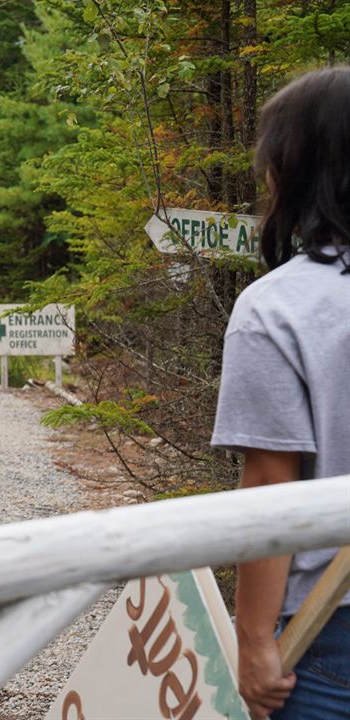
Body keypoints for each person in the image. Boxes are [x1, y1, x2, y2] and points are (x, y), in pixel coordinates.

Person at [211, 66, 350, 720]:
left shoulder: (277, 308)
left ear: (295, 171)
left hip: (328, 626)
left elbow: (271, 484)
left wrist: (253, 641)